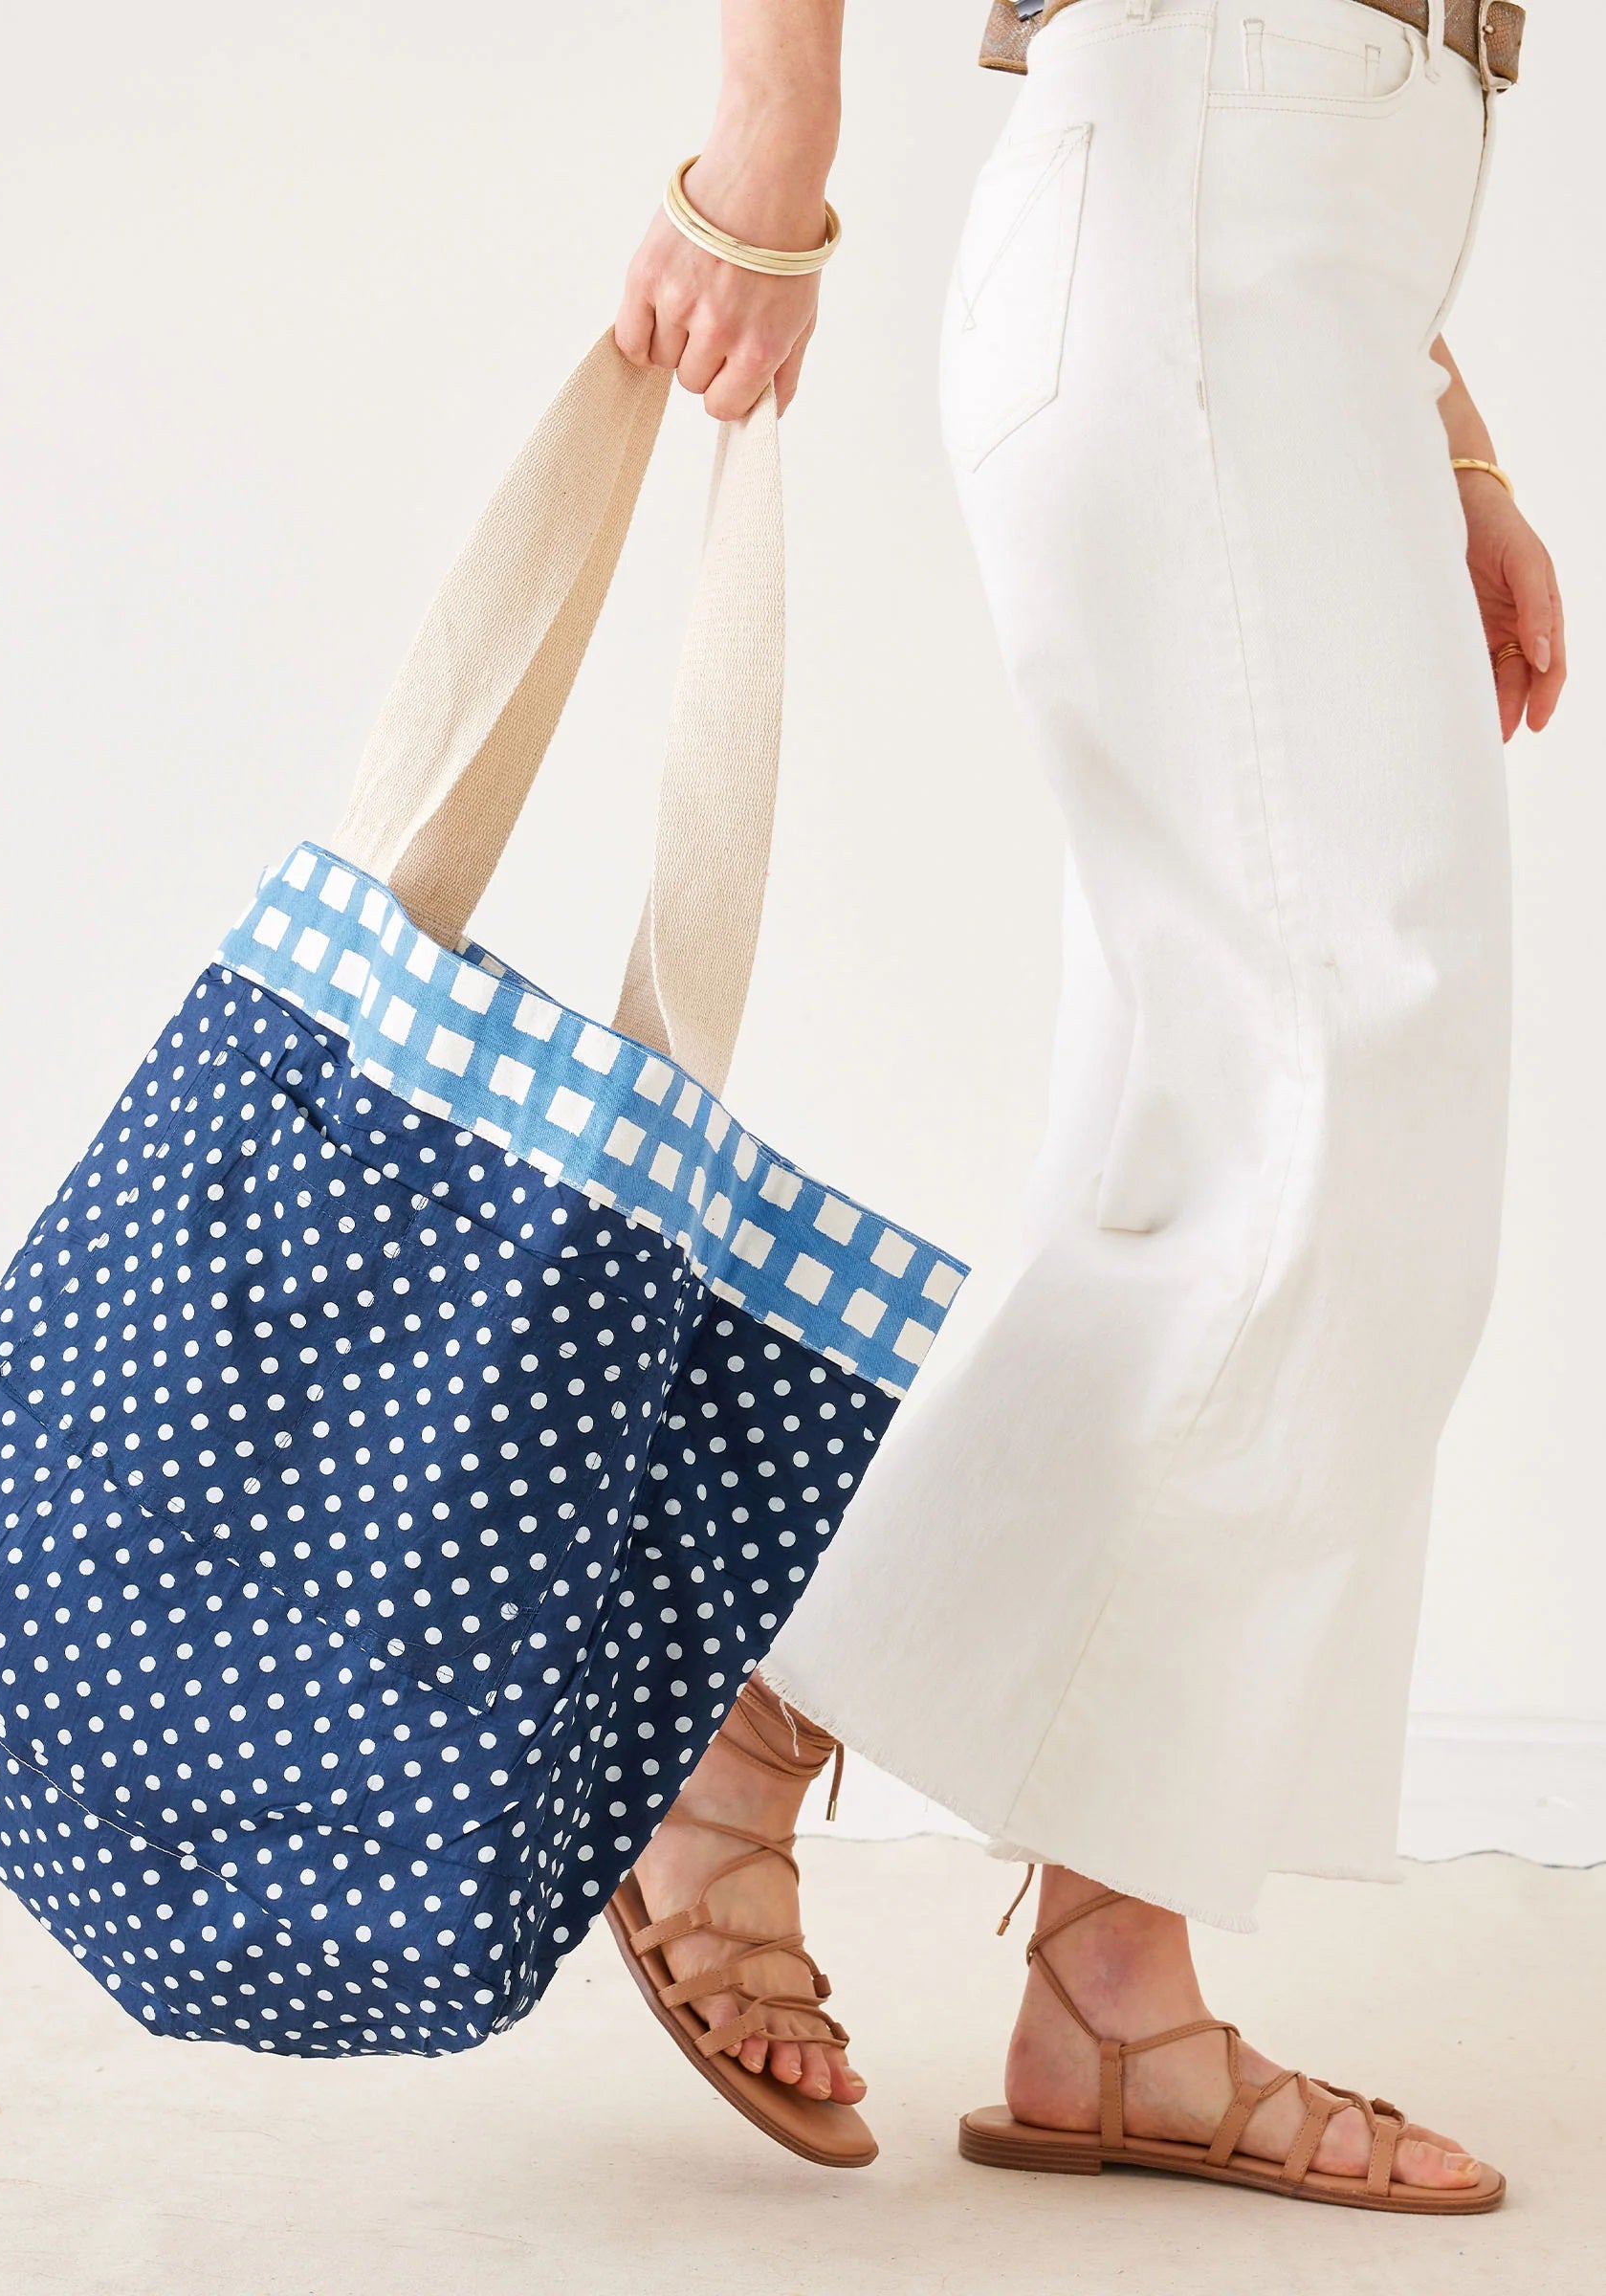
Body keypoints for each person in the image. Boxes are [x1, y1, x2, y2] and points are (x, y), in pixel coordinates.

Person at [607, 0, 1563, 2210]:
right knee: (1344, 1098)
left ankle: (1109, 2000)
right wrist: (770, 124)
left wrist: (1441, 418)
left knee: (1204, 1123)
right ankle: (756, 1728)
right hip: (1208, 206)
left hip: (1303, 251)